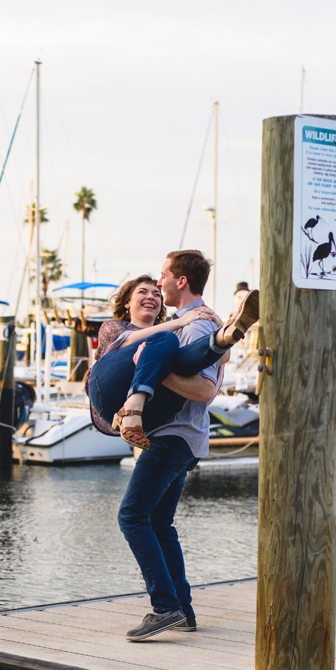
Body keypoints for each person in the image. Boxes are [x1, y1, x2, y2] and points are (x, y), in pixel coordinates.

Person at [94, 250, 259, 641]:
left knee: (131, 517)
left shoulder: (193, 325)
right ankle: (183, 611)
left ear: (179, 281)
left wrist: (153, 377)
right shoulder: (183, 324)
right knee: (158, 522)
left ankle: (164, 607)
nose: (160, 284)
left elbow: (204, 390)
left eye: (164, 277)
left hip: (173, 436)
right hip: (182, 438)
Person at [86, 276, 256, 448]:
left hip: (149, 413)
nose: (151, 297)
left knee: (182, 355)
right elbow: (131, 340)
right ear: (127, 303)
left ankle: (224, 335)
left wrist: (218, 324)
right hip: (109, 393)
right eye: (143, 292)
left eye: (157, 294)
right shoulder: (112, 326)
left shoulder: (172, 336)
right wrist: (181, 321)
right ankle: (131, 407)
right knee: (165, 340)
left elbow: (222, 359)